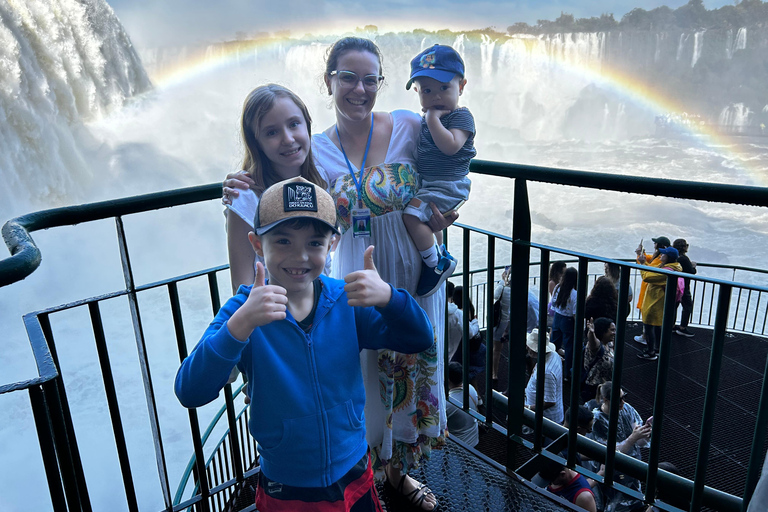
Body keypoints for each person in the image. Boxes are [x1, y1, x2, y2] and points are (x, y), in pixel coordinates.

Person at [175, 177, 433, 511]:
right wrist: (240, 326)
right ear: (257, 244)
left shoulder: (346, 300)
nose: (299, 256)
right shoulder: (243, 311)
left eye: (314, 242)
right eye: (283, 241)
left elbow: (420, 338)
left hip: (354, 469)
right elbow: (189, 390)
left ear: (333, 244)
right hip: (288, 486)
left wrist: (389, 298)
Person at [314, 37, 457, 510]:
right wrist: (237, 185)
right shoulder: (315, 151)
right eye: (347, 77)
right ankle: (367, 476)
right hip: (357, 270)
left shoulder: (410, 126)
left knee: (411, 365)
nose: (359, 88)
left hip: (414, 269)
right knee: (368, 370)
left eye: (370, 79)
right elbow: (274, 175)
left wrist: (444, 211)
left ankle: (398, 476)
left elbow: (455, 160)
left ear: (381, 83)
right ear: (329, 80)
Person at [222, 84, 329, 292]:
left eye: (294, 124)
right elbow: (242, 286)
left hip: (321, 306)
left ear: (307, 125)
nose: (288, 139)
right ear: (257, 143)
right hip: (274, 312)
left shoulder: (321, 178)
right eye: (271, 132)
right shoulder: (245, 196)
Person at [403, 44, 475, 297]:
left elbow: (451, 146)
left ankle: (434, 265)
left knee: (411, 215)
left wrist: (432, 119)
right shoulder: (425, 120)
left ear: (461, 87)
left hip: (449, 184)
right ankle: (440, 253)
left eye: (444, 88)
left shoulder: (461, 117)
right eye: (427, 90)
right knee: (430, 221)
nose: (435, 97)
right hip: (432, 182)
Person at [588, 382, 651, 512]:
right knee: (612, 503)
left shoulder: (627, 409)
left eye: (624, 397)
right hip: (610, 471)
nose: (623, 402)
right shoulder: (597, 420)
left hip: (630, 468)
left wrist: (645, 433)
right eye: (619, 399)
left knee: (634, 500)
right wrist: (632, 438)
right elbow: (607, 453)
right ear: (606, 400)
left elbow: (639, 440)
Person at [636, 247, 682, 361]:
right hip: (657, 300)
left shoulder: (666, 271)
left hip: (655, 301)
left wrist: (642, 264)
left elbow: (647, 276)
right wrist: (643, 262)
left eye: (663, 254)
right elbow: (651, 269)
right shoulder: (669, 267)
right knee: (656, 325)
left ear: (668, 258)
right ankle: (657, 349)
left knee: (649, 325)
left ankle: (651, 352)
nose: (661, 255)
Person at [633, 236, 670, 346]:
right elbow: (649, 260)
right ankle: (649, 339)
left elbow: (649, 272)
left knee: (650, 318)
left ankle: (649, 343)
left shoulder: (661, 260)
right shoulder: (659, 257)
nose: (654, 244)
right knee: (650, 317)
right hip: (650, 289)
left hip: (652, 290)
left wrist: (641, 260)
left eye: (656, 243)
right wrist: (640, 255)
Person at [524, 329, 564, 425]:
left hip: (547, 420)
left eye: (529, 346)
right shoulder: (553, 355)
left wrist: (528, 408)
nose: (526, 347)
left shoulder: (546, 372)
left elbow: (550, 402)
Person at [551, 267, 577, 381]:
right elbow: (575, 312)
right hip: (568, 320)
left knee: (553, 344)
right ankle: (567, 374)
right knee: (569, 347)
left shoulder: (557, 288)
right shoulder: (574, 293)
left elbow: (553, 302)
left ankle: (549, 366)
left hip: (557, 317)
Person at [581, 317, 615, 404]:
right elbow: (593, 343)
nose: (614, 333)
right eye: (612, 330)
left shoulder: (609, 343)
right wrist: (591, 333)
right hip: (594, 389)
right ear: (603, 331)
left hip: (607, 385)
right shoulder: (596, 347)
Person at [445, 361, 480, 447]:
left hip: (458, 446)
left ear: (448, 379)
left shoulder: (448, 403)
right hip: (474, 439)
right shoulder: (471, 388)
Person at [446, 281, 478, 361]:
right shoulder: (458, 314)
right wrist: (475, 322)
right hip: (454, 354)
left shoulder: (435, 311)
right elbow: (470, 333)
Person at [672, 238, 696, 337]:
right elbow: (691, 272)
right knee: (687, 305)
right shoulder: (684, 259)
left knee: (674, 305)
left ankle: (671, 325)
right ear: (684, 247)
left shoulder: (674, 256)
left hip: (674, 285)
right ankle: (683, 328)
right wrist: (693, 266)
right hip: (684, 286)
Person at [547, 261, 567, 329]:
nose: (563, 275)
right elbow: (555, 297)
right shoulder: (552, 283)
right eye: (562, 272)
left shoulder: (562, 281)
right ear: (557, 272)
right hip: (555, 306)